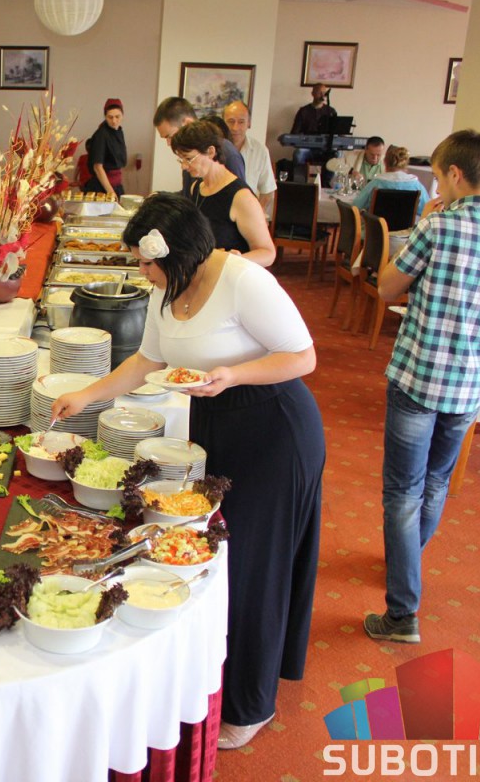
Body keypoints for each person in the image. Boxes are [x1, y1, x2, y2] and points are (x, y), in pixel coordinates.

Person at [51, 193, 324, 751]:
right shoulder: (167, 287)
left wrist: (233, 374)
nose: (142, 273)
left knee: (253, 566)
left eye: (146, 263)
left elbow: (303, 357)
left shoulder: (244, 280)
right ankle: (224, 672)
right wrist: (86, 395)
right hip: (216, 423)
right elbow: (147, 361)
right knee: (214, 553)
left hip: (273, 428)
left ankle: (251, 704)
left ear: (176, 254)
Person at [366, 130, 480, 644]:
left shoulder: (437, 227)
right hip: (470, 385)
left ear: (456, 175)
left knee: (403, 492)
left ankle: (402, 614)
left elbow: (386, 287)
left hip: (419, 378)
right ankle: (406, 566)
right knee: (436, 483)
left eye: (439, 177)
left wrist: (421, 224)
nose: (437, 187)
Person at [170, 120, 275, 266]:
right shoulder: (197, 187)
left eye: (188, 159)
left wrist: (233, 259)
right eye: (181, 159)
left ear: (211, 152)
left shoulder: (241, 197)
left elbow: (268, 253)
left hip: (231, 275)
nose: (184, 166)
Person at [153, 97, 247, 197]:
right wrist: (160, 196)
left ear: (187, 123)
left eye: (170, 137)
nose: (168, 143)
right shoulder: (188, 154)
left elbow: (237, 195)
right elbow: (189, 195)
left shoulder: (228, 153)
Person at [222, 100, 276, 214]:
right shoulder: (212, 149)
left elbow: (267, 192)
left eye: (241, 122)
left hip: (247, 214)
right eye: (231, 121)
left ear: (249, 123)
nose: (235, 127)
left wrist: (256, 215)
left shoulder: (260, 151)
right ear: (223, 123)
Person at [351, 144, 431, 217]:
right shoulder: (416, 185)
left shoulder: (376, 183)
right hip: (408, 228)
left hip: (377, 227)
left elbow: (356, 206)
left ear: (385, 162)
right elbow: (427, 210)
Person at [82, 98, 127, 199]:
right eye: (110, 117)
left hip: (116, 185)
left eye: (117, 117)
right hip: (102, 188)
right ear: (105, 117)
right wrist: (111, 192)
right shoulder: (101, 134)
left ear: (123, 115)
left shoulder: (119, 131)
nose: (114, 121)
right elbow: (97, 167)